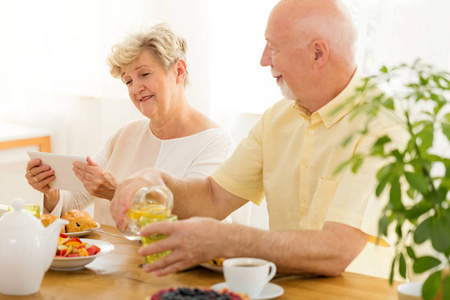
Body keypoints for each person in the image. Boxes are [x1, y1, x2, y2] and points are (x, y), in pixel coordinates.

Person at [111, 0, 401, 276]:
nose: (263, 60)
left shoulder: (383, 127)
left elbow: (337, 249)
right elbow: (214, 198)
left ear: (317, 54)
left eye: (273, 48)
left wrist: (228, 239)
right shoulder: (277, 118)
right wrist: (158, 180)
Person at [25, 23, 234, 225]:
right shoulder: (125, 135)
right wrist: (52, 191)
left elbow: (196, 221)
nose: (136, 88)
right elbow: (74, 202)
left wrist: (116, 191)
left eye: (144, 74)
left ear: (179, 71)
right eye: (128, 81)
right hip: (107, 259)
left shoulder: (214, 142)